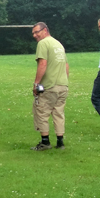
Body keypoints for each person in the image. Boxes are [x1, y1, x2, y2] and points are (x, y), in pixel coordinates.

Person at [31, 22, 69, 150]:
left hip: (50, 85)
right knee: (59, 113)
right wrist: (65, 80)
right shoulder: (58, 44)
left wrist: (36, 83)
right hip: (63, 85)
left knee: (41, 111)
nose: (35, 35)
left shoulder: (43, 43)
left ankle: (45, 142)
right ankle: (60, 142)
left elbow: (42, 64)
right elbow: (66, 65)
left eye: (37, 32)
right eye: (33, 33)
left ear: (45, 30)